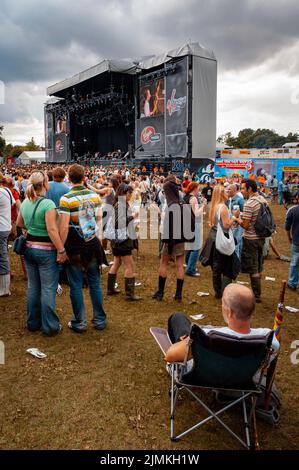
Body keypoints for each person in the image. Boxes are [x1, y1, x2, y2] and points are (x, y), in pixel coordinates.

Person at [165, 284, 280, 367]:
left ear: (229, 312)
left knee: (178, 317)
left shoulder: (207, 336)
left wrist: (189, 340)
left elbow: (170, 356)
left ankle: (184, 337)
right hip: (243, 378)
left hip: (204, 374)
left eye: (223, 303)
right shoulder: (269, 339)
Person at [16, 170, 67, 335]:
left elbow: (19, 223)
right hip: (46, 251)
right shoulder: (48, 204)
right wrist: (61, 250)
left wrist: (33, 228)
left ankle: (33, 323)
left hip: (29, 249)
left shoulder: (25, 202)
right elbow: (52, 230)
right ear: (45, 183)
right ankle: (50, 326)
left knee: (33, 287)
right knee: (47, 289)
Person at [59, 164, 108, 332]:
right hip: (92, 243)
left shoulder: (66, 199)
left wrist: (61, 250)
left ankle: (80, 322)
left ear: (69, 178)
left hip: (74, 247)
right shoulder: (95, 197)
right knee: (95, 282)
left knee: (76, 284)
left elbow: (64, 227)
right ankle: (100, 320)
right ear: (84, 178)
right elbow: (99, 219)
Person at [152, 175, 193, 302]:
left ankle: (160, 293)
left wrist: (158, 212)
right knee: (180, 266)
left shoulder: (171, 206)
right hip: (181, 239)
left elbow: (168, 226)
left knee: (163, 263)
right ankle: (178, 295)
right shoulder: (182, 203)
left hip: (170, 240)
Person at [232, 179, 268, 302]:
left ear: (250, 189)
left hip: (250, 239)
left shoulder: (249, 203)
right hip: (261, 238)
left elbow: (246, 225)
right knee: (258, 266)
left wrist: (236, 218)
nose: (242, 191)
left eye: (243, 188)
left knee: (253, 269)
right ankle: (257, 292)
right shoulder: (262, 200)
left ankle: (256, 295)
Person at [106, 183, 141, 300]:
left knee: (117, 263)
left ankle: (110, 289)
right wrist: (133, 217)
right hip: (122, 240)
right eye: (129, 193)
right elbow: (118, 223)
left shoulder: (120, 203)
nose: (130, 195)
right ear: (123, 193)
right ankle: (130, 294)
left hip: (117, 240)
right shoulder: (121, 205)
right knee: (130, 265)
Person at [206, 185, 239, 299]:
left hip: (214, 236)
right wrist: (234, 218)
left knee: (216, 265)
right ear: (221, 194)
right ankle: (223, 291)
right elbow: (226, 224)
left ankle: (217, 291)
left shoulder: (213, 206)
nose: (228, 193)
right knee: (226, 265)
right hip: (222, 237)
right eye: (225, 191)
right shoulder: (223, 207)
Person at [183, 182, 206, 277]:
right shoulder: (193, 199)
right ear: (194, 189)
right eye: (198, 188)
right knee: (196, 247)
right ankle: (190, 268)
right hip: (193, 224)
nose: (199, 190)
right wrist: (203, 205)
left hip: (186, 223)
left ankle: (188, 263)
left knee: (189, 245)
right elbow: (196, 213)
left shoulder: (185, 197)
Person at [0, 172, 15, 296]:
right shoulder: (7, 191)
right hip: (5, 226)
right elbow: (13, 204)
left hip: (1, 228)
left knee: (2, 256)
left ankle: (4, 289)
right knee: (3, 254)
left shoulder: (1, 192)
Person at [226, 183, 244, 260]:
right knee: (234, 243)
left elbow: (245, 213)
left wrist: (238, 214)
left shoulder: (239, 200)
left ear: (234, 190)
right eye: (227, 189)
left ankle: (236, 264)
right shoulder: (229, 199)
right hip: (231, 224)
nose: (227, 190)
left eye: (229, 189)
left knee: (236, 243)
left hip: (238, 226)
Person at [285, 199, 299, 292]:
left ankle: (292, 283)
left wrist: (289, 237)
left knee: (294, 262)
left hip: (296, 241)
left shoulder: (293, 210)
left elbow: (287, 226)